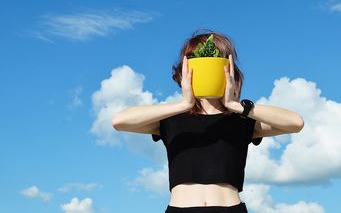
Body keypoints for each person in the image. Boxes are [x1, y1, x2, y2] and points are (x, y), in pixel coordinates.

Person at [112, 29, 305, 213]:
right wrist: (183, 104)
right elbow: (120, 121)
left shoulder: (242, 120)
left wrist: (236, 105)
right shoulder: (170, 120)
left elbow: (295, 123)